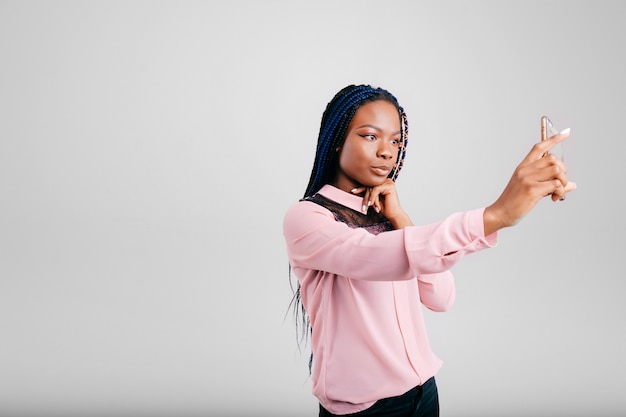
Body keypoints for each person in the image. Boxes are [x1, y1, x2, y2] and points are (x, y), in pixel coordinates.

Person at [282, 84, 576, 417]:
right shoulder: (307, 218)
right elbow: (374, 256)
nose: (387, 152)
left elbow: (441, 296)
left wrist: (401, 218)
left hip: (424, 393)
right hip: (365, 410)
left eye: (395, 140)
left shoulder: (387, 217)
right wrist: (495, 216)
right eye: (370, 136)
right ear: (336, 140)